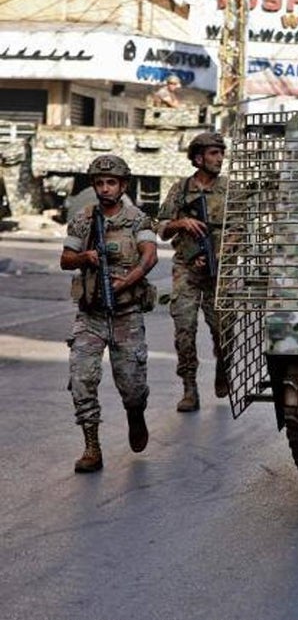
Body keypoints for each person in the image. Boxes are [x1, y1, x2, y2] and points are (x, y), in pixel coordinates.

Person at [61, 155, 158, 473]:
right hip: (91, 314)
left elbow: (150, 255)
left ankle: (135, 413)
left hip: (126, 314)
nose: (105, 189)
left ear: (123, 186)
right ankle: (92, 447)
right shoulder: (83, 219)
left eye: (111, 183)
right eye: (100, 183)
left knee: (131, 386)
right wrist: (84, 257)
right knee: (81, 380)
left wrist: (127, 281)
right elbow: (66, 258)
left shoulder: (137, 219)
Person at [157, 131, 229, 412]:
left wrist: (220, 254)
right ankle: (189, 388)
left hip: (219, 271)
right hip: (186, 268)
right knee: (184, 329)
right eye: (214, 153)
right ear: (198, 158)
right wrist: (181, 223)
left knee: (223, 331)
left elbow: (241, 229)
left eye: (221, 153)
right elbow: (160, 228)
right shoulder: (181, 189)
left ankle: (224, 365)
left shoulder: (229, 190)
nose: (220, 159)